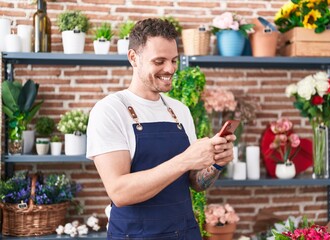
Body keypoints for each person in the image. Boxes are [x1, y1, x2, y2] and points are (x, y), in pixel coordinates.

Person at [86, 18, 236, 240]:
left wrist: (216, 163)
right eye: (159, 61)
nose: (170, 69)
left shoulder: (179, 110)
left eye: (174, 60)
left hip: (184, 232)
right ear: (133, 58)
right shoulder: (109, 110)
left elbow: (195, 182)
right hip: (134, 235)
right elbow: (120, 192)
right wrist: (186, 159)